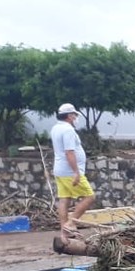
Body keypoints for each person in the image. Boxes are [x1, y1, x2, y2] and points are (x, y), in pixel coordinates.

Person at [50, 102, 95, 238]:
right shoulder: (68, 130)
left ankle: (65, 231)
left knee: (64, 199)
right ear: (69, 116)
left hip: (60, 170)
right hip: (69, 171)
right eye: (74, 115)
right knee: (90, 196)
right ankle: (70, 224)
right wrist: (76, 172)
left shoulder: (55, 128)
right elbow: (69, 152)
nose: (75, 117)